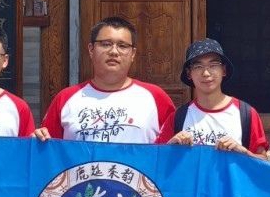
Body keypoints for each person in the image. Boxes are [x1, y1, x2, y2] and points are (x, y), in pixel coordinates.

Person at [40, 15, 175, 143]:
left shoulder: (156, 97)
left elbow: (174, 148)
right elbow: (48, 151)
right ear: (91, 49)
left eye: (122, 46)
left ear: (133, 54)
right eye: (106, 44)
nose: (114, 52)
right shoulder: (65, 98)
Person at [157, 38, 269, 156]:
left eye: (213, 65)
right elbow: (157, 159)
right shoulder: (178, 117)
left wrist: (243, 152)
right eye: (198, 66)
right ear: (189, 73)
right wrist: (171, 146)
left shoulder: (246, 114)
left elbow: (263, 162)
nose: (206, 73)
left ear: (224, 70)